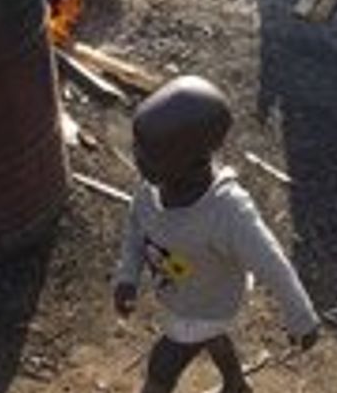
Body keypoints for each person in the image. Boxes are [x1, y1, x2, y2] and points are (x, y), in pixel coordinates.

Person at [114, 76, 320, 393]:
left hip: (208, 304)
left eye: (149, 153)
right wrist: (127, 276)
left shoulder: (228, 212)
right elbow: (136, 228)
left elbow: (272, 264)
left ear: (192, 160)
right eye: (137, 145)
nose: (136, 157)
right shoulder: (153, 189)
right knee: (212, 337)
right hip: (183, 294)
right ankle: (236, 386)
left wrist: (301, 318)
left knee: (161, 368)